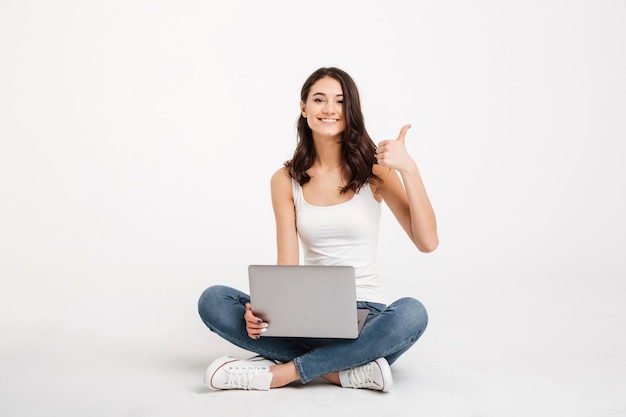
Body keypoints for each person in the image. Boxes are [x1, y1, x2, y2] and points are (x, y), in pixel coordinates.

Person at [198, 67, 438, 392]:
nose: (329, 109)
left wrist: (409, 168)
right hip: (307, 316)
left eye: (339, 101)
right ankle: (346, 370)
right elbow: (288, 263)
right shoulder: (285, 180)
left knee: (412, 314)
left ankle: (283, 373)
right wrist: (267, 311)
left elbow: (427, 242)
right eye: (319, 99)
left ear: (350, 109)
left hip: (367, 318)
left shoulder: (376, 172)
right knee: (213, 300)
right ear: (304, 107)